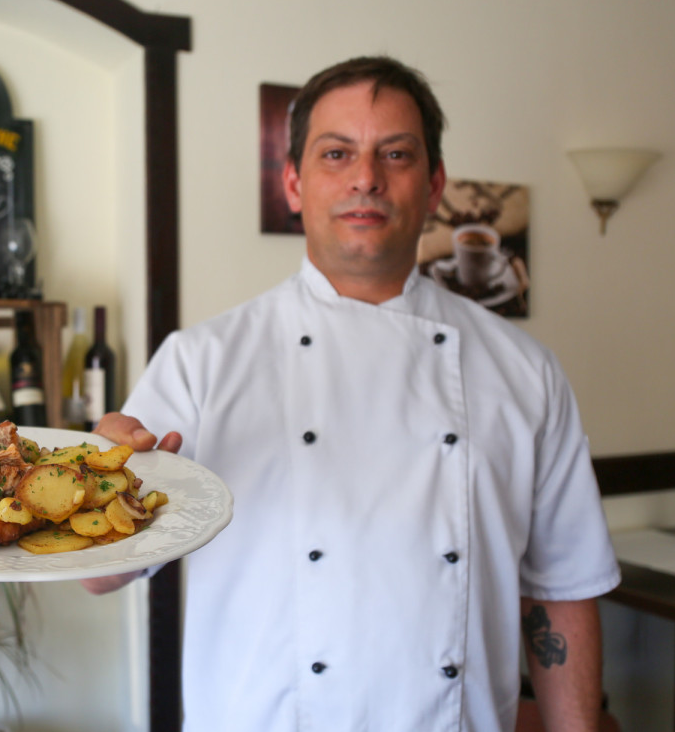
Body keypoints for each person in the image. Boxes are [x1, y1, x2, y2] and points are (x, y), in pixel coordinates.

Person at [84, 55, 620, 732]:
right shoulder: (202, 361)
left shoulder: (525, 370)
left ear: (433, 186)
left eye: (395, 154)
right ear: (294, 184)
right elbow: (99, 576)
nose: (366, 177)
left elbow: (562, 590)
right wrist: (99, 483)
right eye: (337, 153)